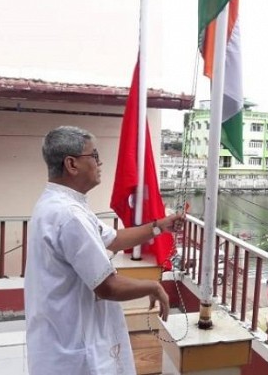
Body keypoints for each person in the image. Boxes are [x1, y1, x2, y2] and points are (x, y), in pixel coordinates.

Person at [24, 126, 183, 375]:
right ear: (72, 164)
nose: (100, 163)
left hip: (59, 337)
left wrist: (159, 227)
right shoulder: (69, 215)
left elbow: (113, 238)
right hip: (75, 347)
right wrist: (153, 286)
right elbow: (108, 286)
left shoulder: (61, 204)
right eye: (94, 156)